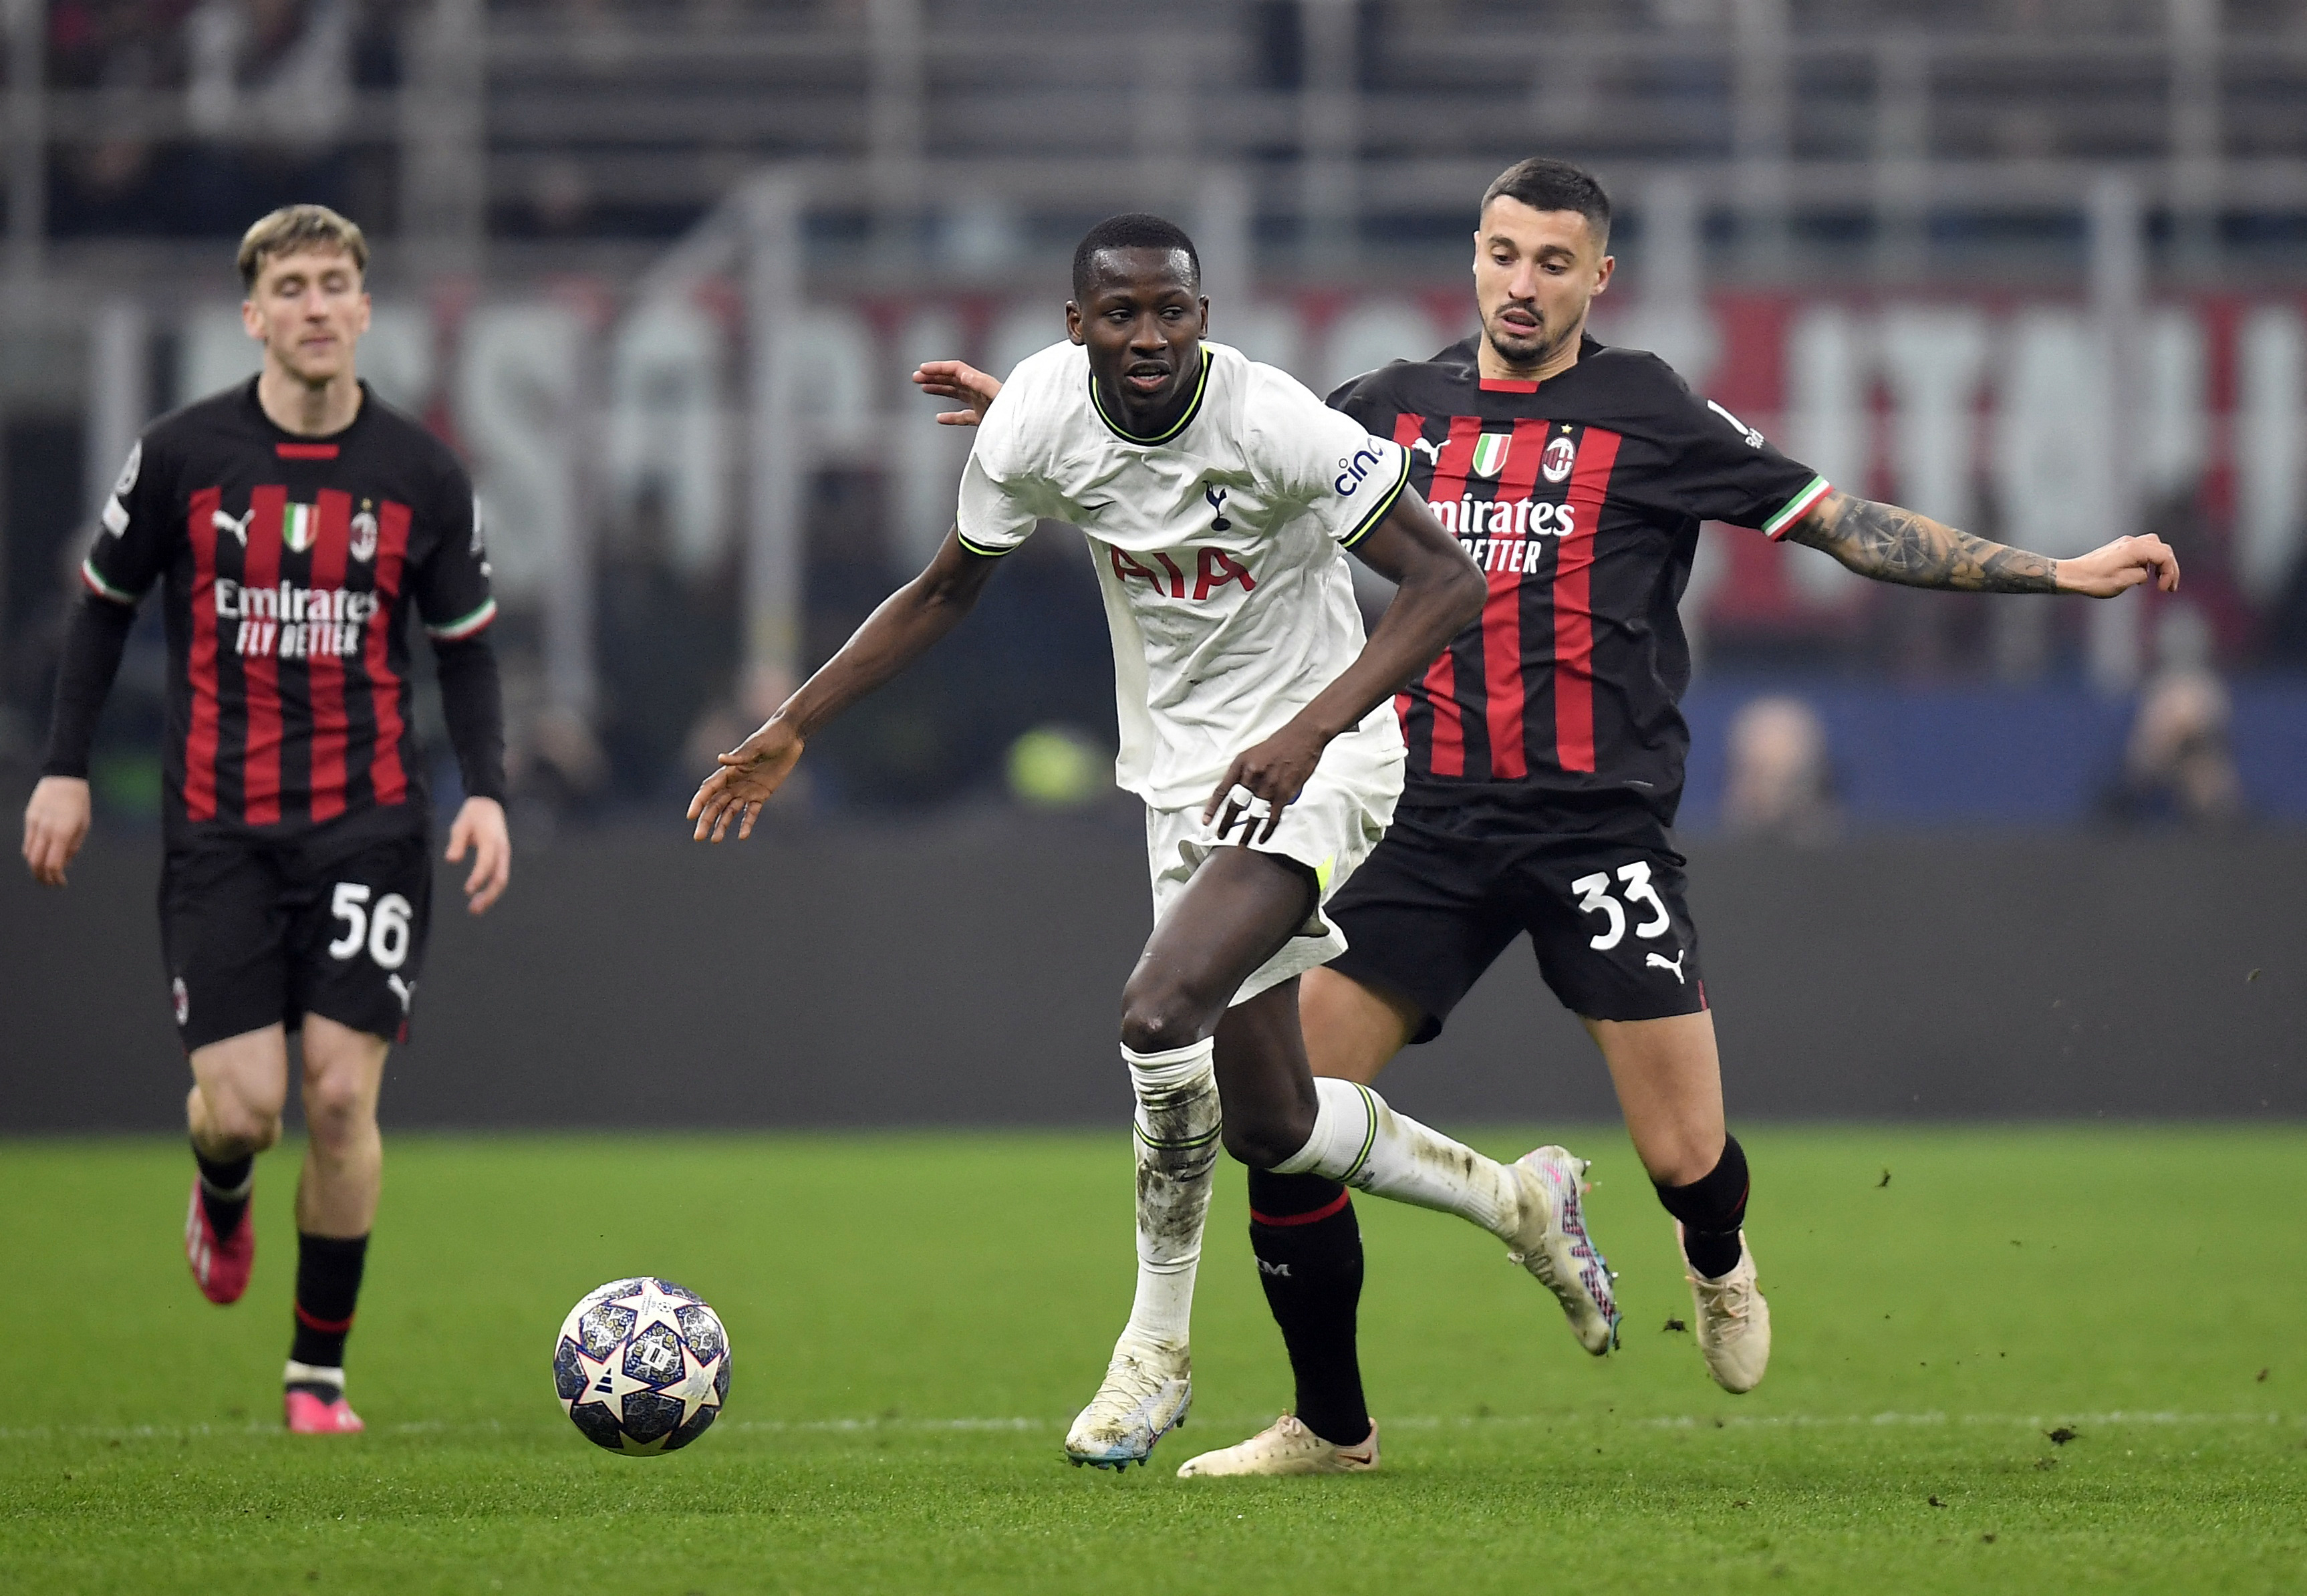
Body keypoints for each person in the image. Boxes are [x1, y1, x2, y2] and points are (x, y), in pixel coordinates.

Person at [914, 160, 2181, 1479]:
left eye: (1552, 263)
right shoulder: (1391, 408)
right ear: (1474, 258)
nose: (1523, 285)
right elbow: (1203, 450)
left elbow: (1838, 524)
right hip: (1418, 823)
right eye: (1503, 255)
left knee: (1685, 1152)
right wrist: (1039, 421)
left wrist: (2054, 573)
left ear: (1597, 279)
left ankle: (1713, 1254)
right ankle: (1329, 1427)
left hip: (1594, 828)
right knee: (1282, 1124)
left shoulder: (1651, 411)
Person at [692, 214, 1619, 1472]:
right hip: (1184, 781)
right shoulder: (1034, 420)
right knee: (1276, 1122)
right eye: (1119, 314)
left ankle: (1155, 1352)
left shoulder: (1275, 423)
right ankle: (1518, 1203)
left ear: (1204, 314)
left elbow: (1448, 583)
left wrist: (1307, 733)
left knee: (1156, 1013)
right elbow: (946, 588)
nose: (1148, 336)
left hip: (1322, 755)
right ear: (1076, 327)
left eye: (1171, 312)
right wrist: (795, 722)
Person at [19, 204, 511, 1435]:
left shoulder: (421, 471)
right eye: (289, 286)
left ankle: (315, 1377)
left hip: (372, 824)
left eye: (334, 283)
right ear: (253, 315)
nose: (313, 304)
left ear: (361, 307)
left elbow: (468, 651)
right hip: (220, 826)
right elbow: (100, 612)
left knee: (340, 1101)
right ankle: (222, 1184)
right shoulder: (183, 454)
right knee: (242, 1107)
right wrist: (64, 768)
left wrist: (489, 791)